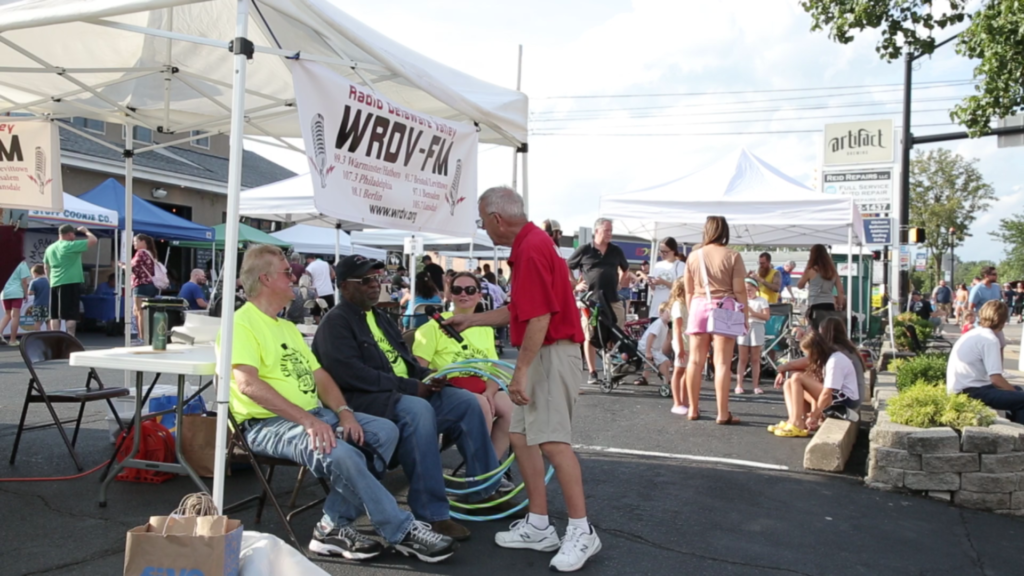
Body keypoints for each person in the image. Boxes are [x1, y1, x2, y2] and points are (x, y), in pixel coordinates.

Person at [223, 245, 455, 562]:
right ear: (265, 278)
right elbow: (247, 384)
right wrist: (308, 420)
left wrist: (344, 413)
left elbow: (320, 376)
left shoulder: (286, 327)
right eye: (287, 271)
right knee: (341, 451)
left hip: (312, 415)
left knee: (384, 431)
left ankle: (331, 527)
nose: (295, 276)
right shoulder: (240, 323)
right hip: (267, 424)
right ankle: (400, 529)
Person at [449, 186, 600, 571]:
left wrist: (520, 372)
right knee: (521, 435)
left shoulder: (531, 249)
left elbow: (539, 318)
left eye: (483, 222)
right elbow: (523, 310)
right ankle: (538, 523)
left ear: (498, 219)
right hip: (549, 351)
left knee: (552, 441)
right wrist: (471, 319)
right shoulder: (533, 244)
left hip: (552, 354)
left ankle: (582, 531)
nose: (484, 229)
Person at [313, 255, 505, 542]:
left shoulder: (380, 317)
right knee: (418, 410)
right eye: (365, 280)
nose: (374, 285)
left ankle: (484, 492)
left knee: (465, 401)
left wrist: (428, 376)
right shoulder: (336, 323)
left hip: (401, 391)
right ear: (343, 286)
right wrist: (412, 387)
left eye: (377, 279)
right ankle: (432, 514)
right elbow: (351, 376)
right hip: (368, 402)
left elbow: (405, 361)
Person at [413, 272, 514, 462]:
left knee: (511, 409)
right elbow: (420, 370)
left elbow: (493, 368)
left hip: (480, 385)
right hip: (447, 388)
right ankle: (483, 470)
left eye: (470, 290)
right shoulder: (433, 327)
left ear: (479, 295)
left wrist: (490, 393)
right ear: (450, 294)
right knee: (480, 404)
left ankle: (489, 468)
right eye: (457, 290)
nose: (463, 294)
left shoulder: (484, 327)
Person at [683, 216, 748, 424]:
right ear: (725, 232)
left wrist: (692, 309)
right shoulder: (733, 256)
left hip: (699, 305)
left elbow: (688, 291)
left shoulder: (693, 256)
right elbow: (739, 290)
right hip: (725, 307)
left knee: (694, 361)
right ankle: (722, 413)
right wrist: (744, 316)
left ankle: (692, 409)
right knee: (721, 363)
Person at [568, 218, 630, 384]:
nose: (610, 234)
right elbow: (567, 266)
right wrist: (575, 284)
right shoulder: (585, 250)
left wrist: (621, 283)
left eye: (611, 230)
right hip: (591, 301)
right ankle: (593, 372)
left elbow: (626, 269)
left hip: (613, 299)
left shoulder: (616, 250)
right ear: (597, 231)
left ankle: (613, 370)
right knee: (591, 335)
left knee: (616, 333)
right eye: (606, 230)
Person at [772, 322, 862, 437]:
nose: (808, 357)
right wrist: (783, 371)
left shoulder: (835, 361)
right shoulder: (826, 357)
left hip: (845, 401)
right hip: (836, 397)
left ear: (816, 351)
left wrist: (815, 415)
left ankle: (797, 423)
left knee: (797, 378)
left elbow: (826, 393)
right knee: (789, 382)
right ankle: (793, 420)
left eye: (808, 353)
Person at [947, 301, 1022, 423]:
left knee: (1018, 391)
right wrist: (1013, 393)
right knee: (1020, 398)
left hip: (961, 388)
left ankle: (1016, 428)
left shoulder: (975, 333)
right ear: (1003, 320)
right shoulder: (990, 340)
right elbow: (996, 380)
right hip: (972, 392)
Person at [43, 224, 96, 337]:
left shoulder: (50, 248)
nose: (74, 236)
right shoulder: (69, 245)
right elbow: (93, 240)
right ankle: (70, 337)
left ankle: (56, 338)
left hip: (55, 282)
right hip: (70, 281)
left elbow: (46, 267)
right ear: (69, 234)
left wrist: (50, 280)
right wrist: (86, 231)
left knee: (54, 314)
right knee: (71, 314)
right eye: (73, 234)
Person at [735, 278, 770, 395]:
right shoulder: (741, 300)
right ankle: (739, 384)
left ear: (756, 289)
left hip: (757, 326)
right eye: (745, 290)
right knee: (742, 358)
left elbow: (766, 316)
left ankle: (756, 385)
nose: (748, 292)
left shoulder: (762, 301)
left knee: (755, 359)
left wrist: (753, 313)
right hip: (743, 326)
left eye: (750, 290)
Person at [798, 244, 845, 330]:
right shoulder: (833, 271)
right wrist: (840, 305)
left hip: (815, 305)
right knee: (828, 331)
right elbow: (840, 291)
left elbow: (800, 285)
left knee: (815, 331)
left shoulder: (811, 270)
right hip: (829, 304)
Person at [126, 234, 159, 344]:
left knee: (139, 312)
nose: (133, 243)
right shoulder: (150, 253)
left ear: (143, 242)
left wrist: (123, 266)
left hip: (141, 285)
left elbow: (134, 268)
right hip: (151, 285)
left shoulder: (140, 253)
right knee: (145, 312)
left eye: (135, 241)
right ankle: (146, 337)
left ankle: (142, 338)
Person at [646, 237, 685, 317]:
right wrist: (651, 283)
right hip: (656, 308)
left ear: (673, 251)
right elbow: (654, 289)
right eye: (661, 251)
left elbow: (680, 288)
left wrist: (664, 282)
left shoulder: (680, 265)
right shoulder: (658, 265)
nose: (662, 254)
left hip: (672, 309)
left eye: (665, 252)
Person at [667, 279, 689, 415]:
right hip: (683, 342)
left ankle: (685, 402)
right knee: (679, 371)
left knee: (687, 373)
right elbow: (677, 328)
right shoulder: (678, 305)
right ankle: (677, 402)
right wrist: (680, 348)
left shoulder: (688, 303)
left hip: (689, 342)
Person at [0, 259, 32, 346]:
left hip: (4, 292)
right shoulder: (22, 264)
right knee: (15, 316)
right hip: (16, 292)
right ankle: (12, 340)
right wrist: (25, 294)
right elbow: (24, 281)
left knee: (7, 314)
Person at [640, 302, 671, 388]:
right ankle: (666, 381)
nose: (671, 315)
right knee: (665, 362)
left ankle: (645, 378)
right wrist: (648, 351)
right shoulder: (659, 323)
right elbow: (651, 336)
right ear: (661, 313)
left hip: (653, 348)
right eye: (668, 312)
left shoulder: (665, 325)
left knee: (663, 362)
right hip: (646, 347)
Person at [304, 254, 335, 319]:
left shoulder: (309, 267)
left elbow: (307, 281)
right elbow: (333, 275)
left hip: (317, 292)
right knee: (330, 312)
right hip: (329, 291)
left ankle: (319, 327)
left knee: (316, 313)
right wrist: (326, 281)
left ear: (307, 260)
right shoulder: (326, 263)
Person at [27, 265, 49, 332]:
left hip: (38, 304)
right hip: (49, 304)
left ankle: (37, 336)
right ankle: (50, 336)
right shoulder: (49, 281)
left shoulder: (34, 282)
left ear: (35, 273)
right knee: (49, 321)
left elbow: (30, 293)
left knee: (37, 321)